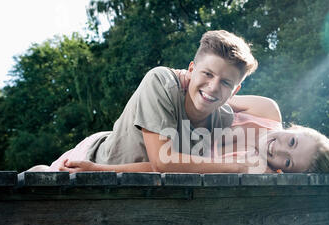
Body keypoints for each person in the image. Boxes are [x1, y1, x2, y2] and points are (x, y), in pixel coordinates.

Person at [28, 30, 275, 174]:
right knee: (32, 182)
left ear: (236, 90)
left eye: (226, 83)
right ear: (191, 69)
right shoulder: (161, 80)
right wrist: (237, 166)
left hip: (112, 174)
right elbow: (163, 161)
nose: (212, 87)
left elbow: (160, 167)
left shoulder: (220, 117)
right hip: (94, 157)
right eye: (207, 74)